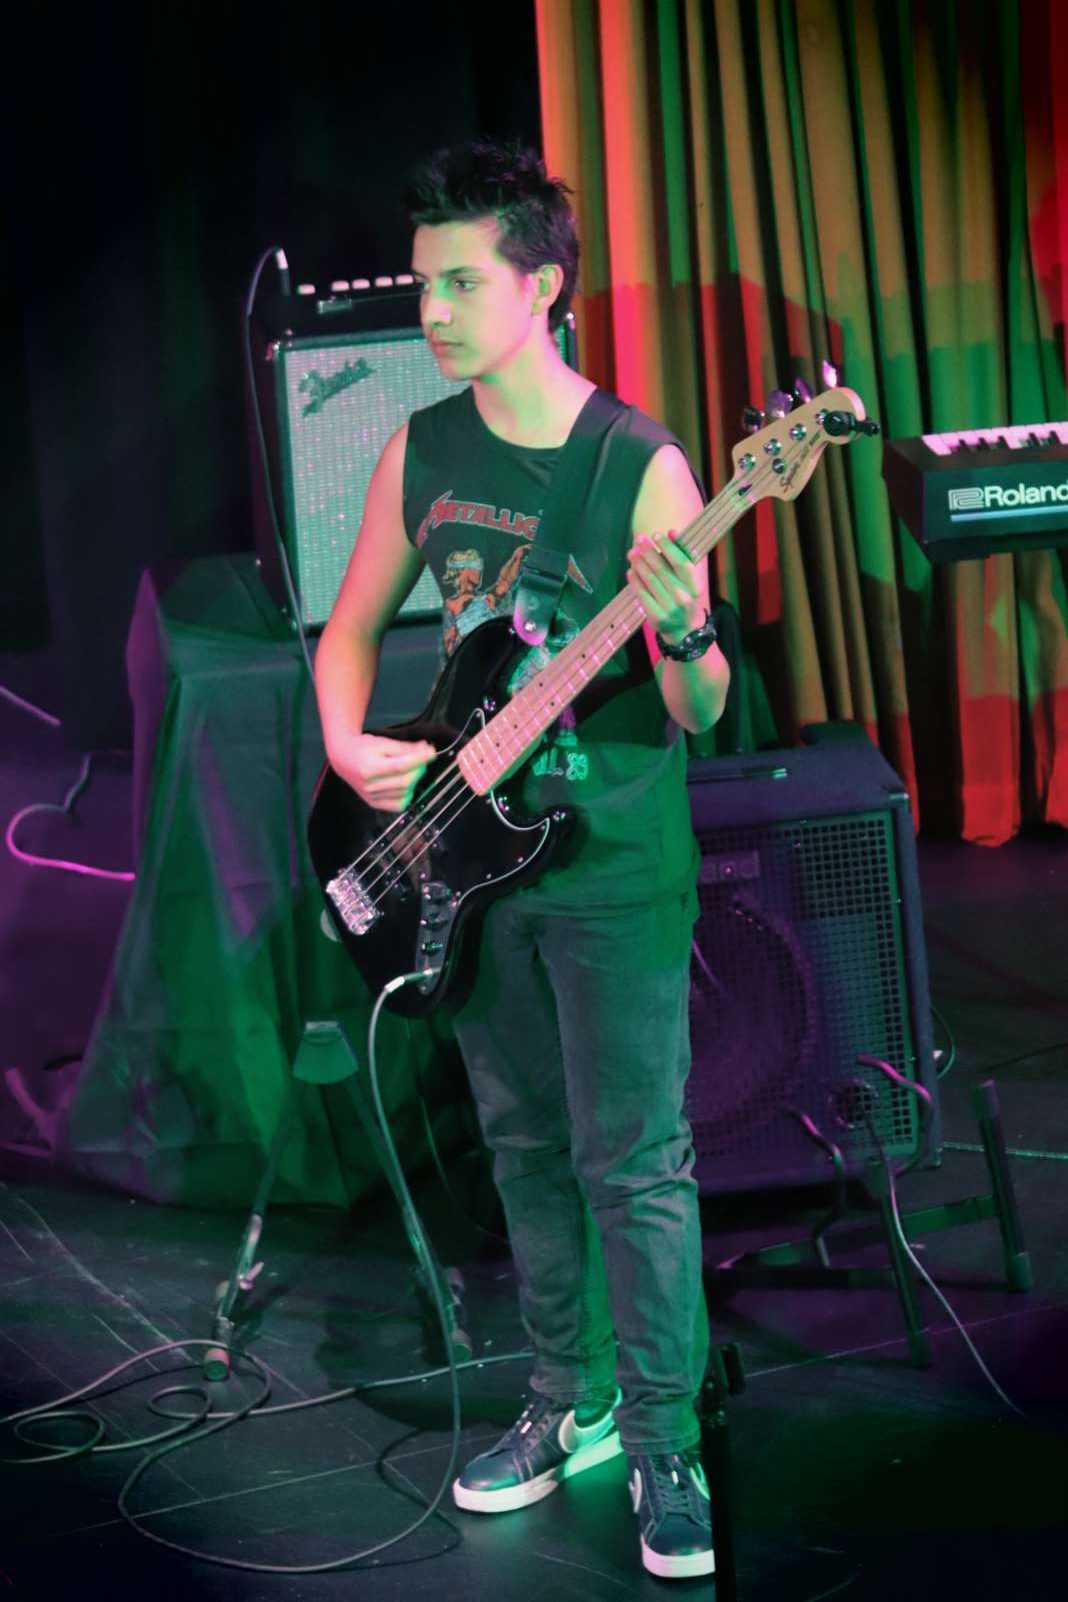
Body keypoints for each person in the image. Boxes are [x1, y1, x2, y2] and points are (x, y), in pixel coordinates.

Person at [314, 139, 730, 1582]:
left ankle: (667, 1438)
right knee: (526, 1149)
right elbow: (351, 628)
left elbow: (700, 707)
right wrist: (345, 743)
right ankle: (572, 1398)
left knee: (637, 1161)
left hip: (611, 861)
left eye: (460, 283)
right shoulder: (418, 451)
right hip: (471, 865)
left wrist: (681, 628)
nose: (430, 310)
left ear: (543, 286)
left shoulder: (643, 464)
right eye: (423, 284)